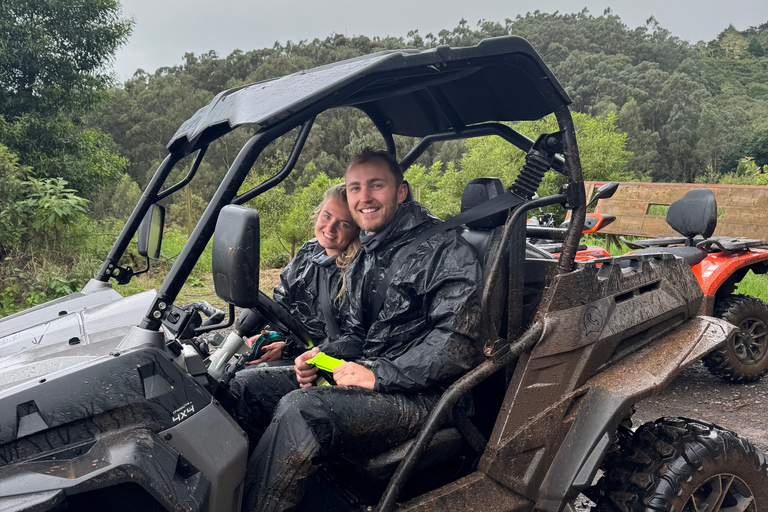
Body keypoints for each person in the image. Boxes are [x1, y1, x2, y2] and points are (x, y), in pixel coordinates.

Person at [236, 148, 483, 512]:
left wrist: (378, 374)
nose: (364, 197)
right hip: (378, 378)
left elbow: (457, 343)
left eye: (376, 185)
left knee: (302, 411)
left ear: (400, 192)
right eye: (355, 188)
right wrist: (319, 358)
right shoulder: (368, 251)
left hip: (429, 396)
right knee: (245, 387)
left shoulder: (443, 249)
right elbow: (356, 334)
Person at [246, 183, 361, 364]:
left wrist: (289, 349)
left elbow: (353, 340)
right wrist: (273, 334)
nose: (330, 228)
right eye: (327, 216)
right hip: (299, 347)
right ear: (318, 213)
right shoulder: (308, 251)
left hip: (331, 362)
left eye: (344, 224)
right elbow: (285, 302)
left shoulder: (358, 270)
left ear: (357, 231)